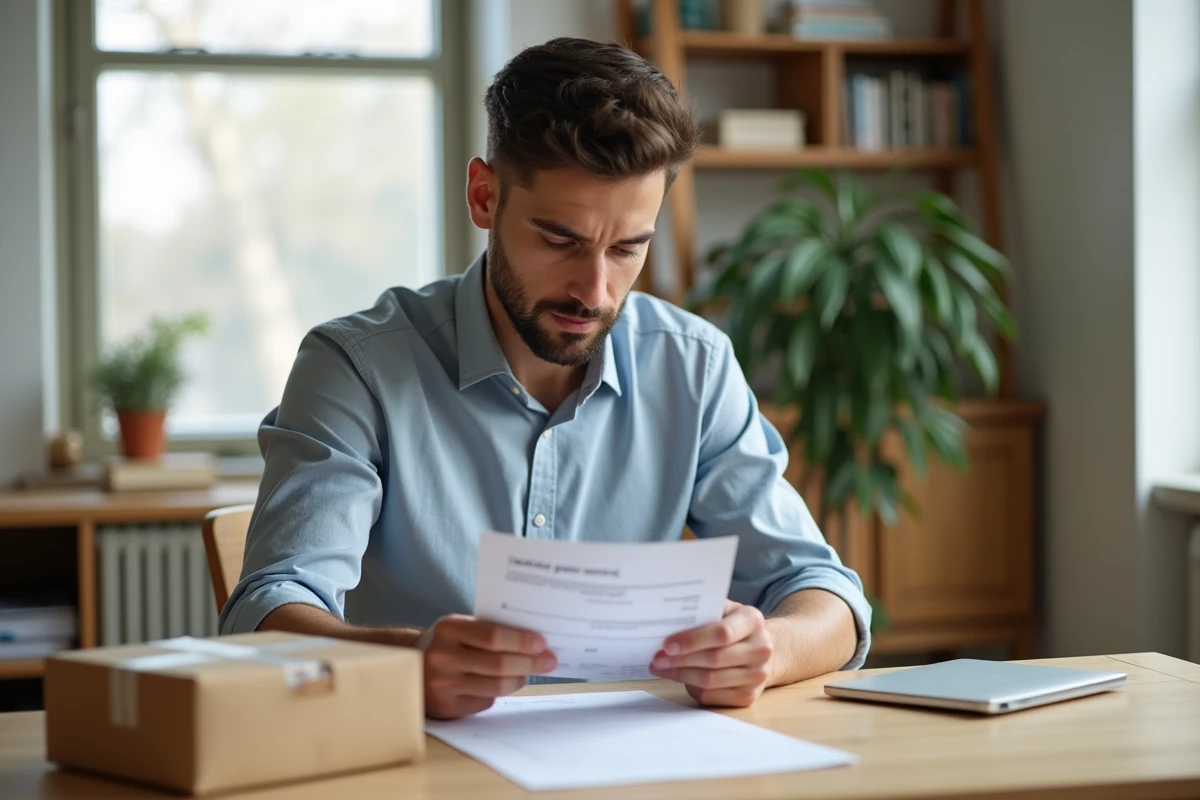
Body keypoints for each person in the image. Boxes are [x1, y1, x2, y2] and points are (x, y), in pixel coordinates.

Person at [220, 37, 870, 720]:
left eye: (628, 249)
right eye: (560, 240)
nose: (594, 291)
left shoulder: (694, 367)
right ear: (484, 196)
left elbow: (827, 596)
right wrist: (408, 666)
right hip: (422, 757)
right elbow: (265, 612)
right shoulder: (356, 367)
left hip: (633, 756)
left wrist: (768, 648)